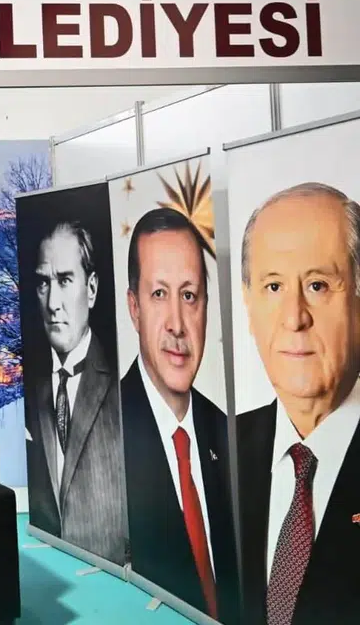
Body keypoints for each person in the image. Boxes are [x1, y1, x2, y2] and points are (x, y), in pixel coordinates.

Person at [236, 182, 360, 625]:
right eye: (273, 286)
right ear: (248, 306)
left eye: (318, 284)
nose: (294, 317)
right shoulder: (220, 450)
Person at [119, 208, 238, 621]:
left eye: (189, 296)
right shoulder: (105, 433)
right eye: (159, 294)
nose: (177, 324)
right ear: (134, 308)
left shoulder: (232, 436)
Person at [24, 220, 128, 565]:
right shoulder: (31, 388)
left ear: (92, 288)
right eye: (44, 283)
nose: (53, 303)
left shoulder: (126, 385)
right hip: (50, 565)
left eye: (65, 280)